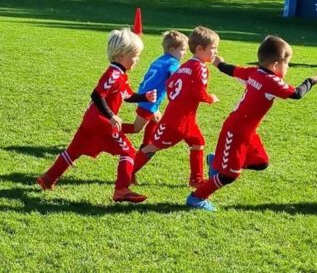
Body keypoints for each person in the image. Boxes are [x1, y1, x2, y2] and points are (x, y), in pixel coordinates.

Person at [186, 35, 317, 211]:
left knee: (261, 163)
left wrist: (219, 64)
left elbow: (232, 70)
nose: (288, 67)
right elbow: (297, 94)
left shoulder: (255, 72)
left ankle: (218, 162)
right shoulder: (272, 81)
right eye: (287, 63)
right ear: (276, 65)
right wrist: (311, 81)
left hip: (248, 132)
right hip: (236, 131)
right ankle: (197, 198)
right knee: (229, 175)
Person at [36, 28, 157, 203]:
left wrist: (144, 96)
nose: (137, 59)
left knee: (74, 150)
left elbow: (127, 96)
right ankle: (121, 189)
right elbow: (97, 95)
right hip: (101, 121)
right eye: (135, 55)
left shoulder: (119, 74)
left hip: (90, 119)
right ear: (122, 55)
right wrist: (111, 116)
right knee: (129, 151)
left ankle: (48, 179)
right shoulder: (114, 74)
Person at [131, 26, 220, 188]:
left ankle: (196, 180)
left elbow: (171, 84)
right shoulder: (201, 68)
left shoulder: (185, 65)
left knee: (197, 142)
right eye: (213, 48)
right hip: (178, 121)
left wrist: (176, 99)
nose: (216, 52)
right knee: (152, 146)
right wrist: (210, 98)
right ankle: (127, 173)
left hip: (182, 116)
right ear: (200, 49)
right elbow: (199, 92)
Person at [122, 30, 189, 150]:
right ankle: (108, 129)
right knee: (136, 128)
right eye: (183, 50)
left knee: (157, 120)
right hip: (149, 99)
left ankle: (146, 145)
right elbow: (172, 74)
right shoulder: (173, 62)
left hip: (144, 94)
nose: (185, 53)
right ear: (173, 50)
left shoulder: (161, 59)